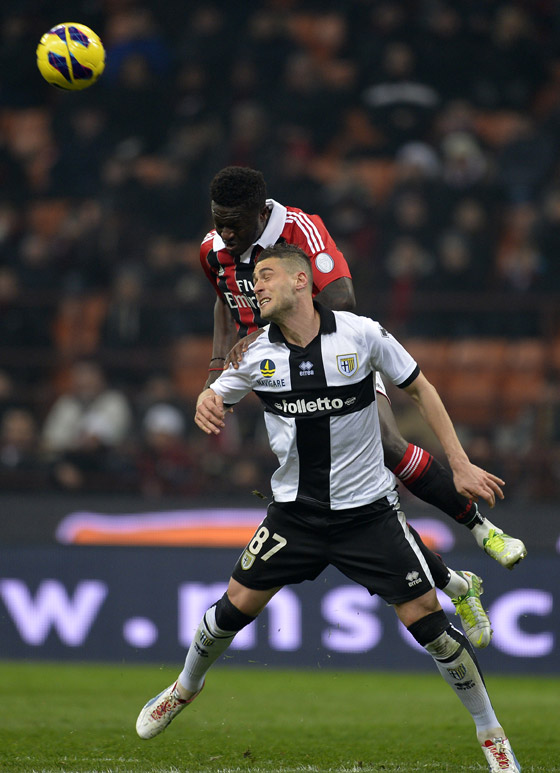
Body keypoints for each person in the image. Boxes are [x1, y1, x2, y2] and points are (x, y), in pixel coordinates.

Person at [136, 244, 521, 772]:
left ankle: (490, 731)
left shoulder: (361, 334)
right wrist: (207, 399)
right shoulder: (254, 354)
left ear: (301, 281)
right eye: (254, 279)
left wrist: (459, 463)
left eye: (266, 276)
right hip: (295, 515)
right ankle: (185, 687)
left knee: (429, 624)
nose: (256, 286)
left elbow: (421, 389)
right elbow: (217, 395)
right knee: (233, 608)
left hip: (368, 514)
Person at [199, 165, 526, 571]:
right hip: (278, 372)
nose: (225, 233)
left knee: (387, 445)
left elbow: (342, 298)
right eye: (219, 221)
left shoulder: (301, 229)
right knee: (331, 487)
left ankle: (482, 529)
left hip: (333, 358)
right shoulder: (212, 248)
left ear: (261, 213)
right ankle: (452, 582)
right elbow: (225, 300)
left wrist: (263, 334)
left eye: (235, 223)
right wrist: (215, 372)